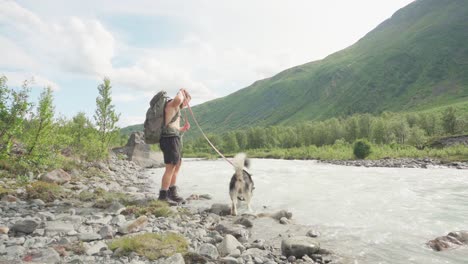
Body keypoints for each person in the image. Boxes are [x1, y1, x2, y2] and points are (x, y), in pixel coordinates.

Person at [158, 88, 191, 205]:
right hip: (169, 139)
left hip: (174, 138)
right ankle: (163, 196)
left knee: (177, 166)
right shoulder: (172, 103)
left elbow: (173, 126)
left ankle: (172, 193)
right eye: (187, 101)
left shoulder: (176, 109)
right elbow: (178, 99)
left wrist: (182, 128)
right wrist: (181, 92)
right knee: (170, 168)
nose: (186, 104)